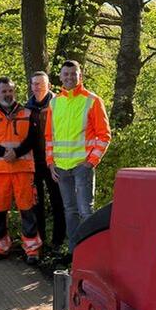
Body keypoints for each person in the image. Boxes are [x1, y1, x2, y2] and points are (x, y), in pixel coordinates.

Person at [44, 60, 111, 242]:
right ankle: (74, 253)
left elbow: (104, 135)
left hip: (83, 166)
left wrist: (91, 162)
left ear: (80, 75)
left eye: (73, 74)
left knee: (85, 211)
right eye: (66, 74)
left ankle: (89, 254)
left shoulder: (92, 101)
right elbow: (49, 137)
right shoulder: (55, 103)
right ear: (60, 77)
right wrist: (50, 164)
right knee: (70, 210)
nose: (69, 77)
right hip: (61, 168)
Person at [0, 77, 42, 265]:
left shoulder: (27, 113)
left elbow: (33, 139)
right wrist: (3, 153)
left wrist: (16, 153)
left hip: (23, 169)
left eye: (10, 91)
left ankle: (31, 249)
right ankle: (0, 246)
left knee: (27, 209)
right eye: (4, 91)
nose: (8, 94)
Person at [25, 71, 66, 250]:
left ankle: (58, 241)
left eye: (41, 83)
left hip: (54, 162)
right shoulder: (27, 108)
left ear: (48, 85)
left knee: (58, 202)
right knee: (36, 203)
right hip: (33, 163)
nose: (37, 87)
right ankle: (39, 240)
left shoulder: (58, 103)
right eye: (34, 84)